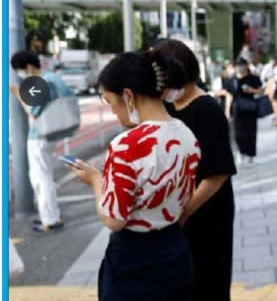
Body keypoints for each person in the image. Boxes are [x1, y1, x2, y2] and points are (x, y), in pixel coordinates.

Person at [70, 51, 198, 300]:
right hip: (176, 251)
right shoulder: (187, 135)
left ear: (128, 95)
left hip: (134, 262)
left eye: (111, 103)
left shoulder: (126, 145)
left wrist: (97, 180)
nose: (114, 113)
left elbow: (114, 219)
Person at [152, 40, 237, 301]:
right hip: (178, 209)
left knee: (208, 280)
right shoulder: (167, 107)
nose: (164, 90)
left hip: (206, 208)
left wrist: (185, 211)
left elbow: (218, 174)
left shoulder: (207, 110)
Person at [9, 51, 74, 233]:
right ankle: (52, 216)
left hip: (40, 135)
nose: (21, 74)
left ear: (29, 67)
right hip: (52, 133)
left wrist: (18, 93)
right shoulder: (53, 77)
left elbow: (32, 110)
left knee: (40, 178)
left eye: (20, 70)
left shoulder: (41, 82)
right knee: (45, 176)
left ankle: (50, 219)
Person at [228, 58, 263, 165]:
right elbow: (230, 95)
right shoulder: (233, 79)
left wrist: (251, 90)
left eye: (241, 65)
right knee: (238, 133)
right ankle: (241, 152)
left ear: (246, 66)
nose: (239, 67)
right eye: (237, 65)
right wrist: (227, 111)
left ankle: (250, 154)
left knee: (251, 132)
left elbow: (262, 90)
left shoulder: (253, 78)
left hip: (250, 108)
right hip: (237, 109)